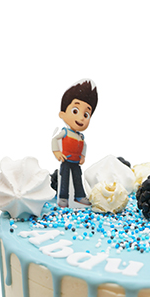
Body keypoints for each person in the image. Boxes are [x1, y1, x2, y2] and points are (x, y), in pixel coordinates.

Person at [52, 79, 98, 207]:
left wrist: (83, 156)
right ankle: (63, 198)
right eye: (75, 111)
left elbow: (84, 146)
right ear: (62, 114)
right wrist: (57, 152)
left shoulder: (81, 136)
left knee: (78, 178)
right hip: (66, 160)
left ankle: (79, 196)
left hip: (76, 161)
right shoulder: (65, 132)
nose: (81, 118)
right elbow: (55, 139)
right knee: (65, 178)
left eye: (86, 114)